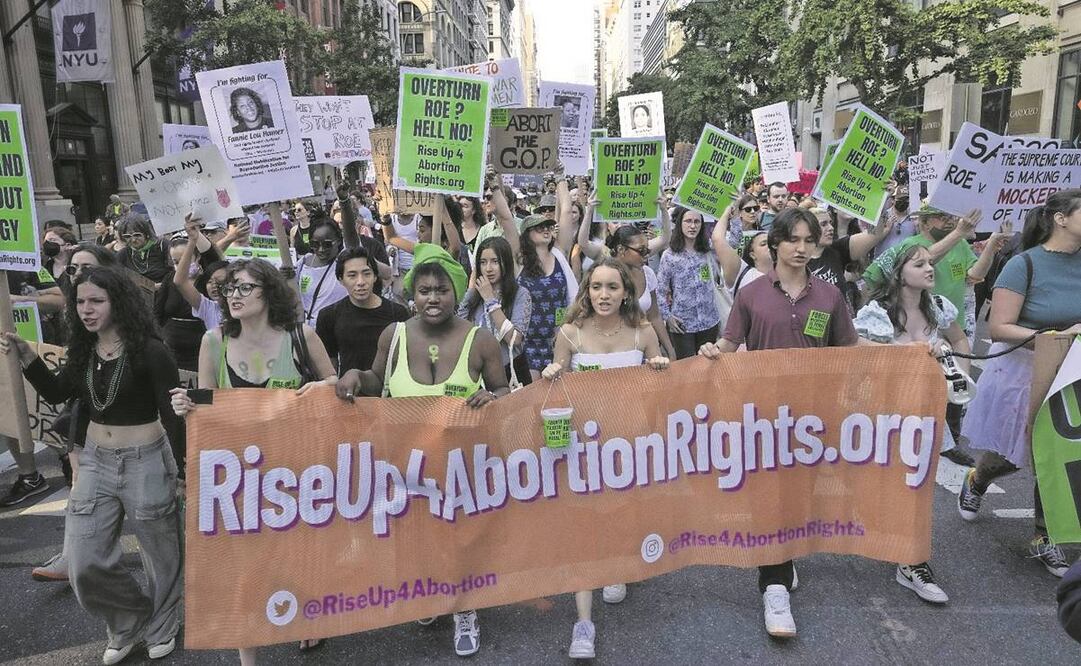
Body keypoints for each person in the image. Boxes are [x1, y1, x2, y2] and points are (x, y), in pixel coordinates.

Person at [1, 266, 184, 663]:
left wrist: (184, 471)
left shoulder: (151, 351)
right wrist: (29, 358)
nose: (86, 309)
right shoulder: (83, 351)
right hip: (96, 462)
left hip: (147, 460)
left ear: (119, 303)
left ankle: (163, 623)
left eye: (96, 301)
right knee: (84, 562)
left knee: (161, 555)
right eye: (80, 301)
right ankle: (128, 621)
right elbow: (56, 393)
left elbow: (173, 415)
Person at [335, 244, 510, 658]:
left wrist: (492, 398)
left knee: (460, 539)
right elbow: (377, 379)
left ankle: (464, 608)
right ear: (412, 294)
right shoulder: (393, 335)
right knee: (416, 536)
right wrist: (355, 376)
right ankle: (429, 593)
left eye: (442, 291)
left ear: (456, 293)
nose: (433, 299)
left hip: (461, 468)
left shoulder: (481, 341)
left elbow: (504, 390)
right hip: (407, 465)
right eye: (424, 291)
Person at [699, 208, 859, 638]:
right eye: (793, 240)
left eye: (809, 240)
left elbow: (850, 350)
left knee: (798, 493)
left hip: (812, 421)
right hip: (764, 419)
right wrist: (713, 352)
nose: (801, 248)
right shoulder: (752, 294)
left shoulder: (830, 296)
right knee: (771, 496)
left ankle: (784, 554)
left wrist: (909, 354)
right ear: (775, 244)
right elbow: (729, 343)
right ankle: (774, 586)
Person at [171, 258, 336, 664]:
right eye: (230, 289)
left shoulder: (301, 336)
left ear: (269, 292)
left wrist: (322, 388)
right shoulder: (214, 341)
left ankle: (305, 617)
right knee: (244, 563)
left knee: (296, 550)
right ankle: (249, 656)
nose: (234, 296)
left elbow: (335, 383)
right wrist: (186, 404)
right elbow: (207, 402)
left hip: (295, 471)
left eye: (245, 287)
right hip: (239, 474)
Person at [541, 258, 669, 658]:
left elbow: (663, 392)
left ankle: (617, 565)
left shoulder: (643, 333)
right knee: (584, 527)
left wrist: (660, 371)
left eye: (612, 287)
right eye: (596, 287)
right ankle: (583, 624)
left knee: (622, 514)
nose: (604, 295)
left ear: (626, 293)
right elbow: (557, 388)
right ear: (586, 291)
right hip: (585, 448)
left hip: (630, 448)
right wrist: (552, 373)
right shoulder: (570, 333)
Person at [957, 189, 1081, 578]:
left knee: (1059, 451)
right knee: (1012, 456)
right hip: (1023, 371)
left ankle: (1046, 535)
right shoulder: (1023, 264)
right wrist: (1056, 335)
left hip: (1073, 372)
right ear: (1060, 218)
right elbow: (999, 327)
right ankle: (978, 478)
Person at [854, 242, 974, 603]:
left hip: (928, 411)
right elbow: (856, 351)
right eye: (919, 264)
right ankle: (896, 544)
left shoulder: (939, 307)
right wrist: (903, 353)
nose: (929, 268)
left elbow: (960, 339)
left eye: (930, 263)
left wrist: (958, 377)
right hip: (887, 413)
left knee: (918, 485)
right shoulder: (877, 313)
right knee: (893, 482)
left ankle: (912, 561)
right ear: (898, 273)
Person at [317, 245, 410, 375]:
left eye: (366, 274)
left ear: (375, 277)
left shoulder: (398, 313)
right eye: (352, 275)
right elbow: (329, 366)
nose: (360, 282)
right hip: (349, 386)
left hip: (389, 385)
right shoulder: (329, 316)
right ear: (341, 280)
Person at [457, 237, 533, 386]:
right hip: (479, 374)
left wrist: (490, 301)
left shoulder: (520, 294)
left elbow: (515, 339)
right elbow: (459, 331)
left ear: (506, 263)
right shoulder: (474, 296)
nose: (488, 268)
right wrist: (472, 291)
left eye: (495, 261)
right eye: (483, 262)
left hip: (512, 373)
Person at [658, 206, 723, 359]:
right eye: (688, 221)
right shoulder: (669, 256)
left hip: (709, 321)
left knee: (709, 364)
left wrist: (732, 215)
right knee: (686, 367)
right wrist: (667, 317)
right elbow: (660, 290)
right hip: (683, 325)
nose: (692, 226)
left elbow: (733, 242)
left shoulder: (709, 249)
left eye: (696, 222)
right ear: (680, 224)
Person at [296, 219, 349, 327]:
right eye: (314, 244)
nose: (321, 249)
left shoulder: (346, 261)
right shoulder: (303, 262)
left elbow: (351, 233)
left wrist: (345, 207)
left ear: (339, 241)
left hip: (335, 330)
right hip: (307, 330)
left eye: (327, 244)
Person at [115, 214, 171, 283]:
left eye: (137, 235)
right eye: (128, 236)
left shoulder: (162, 246)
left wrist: (162, 285)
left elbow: (174, 272)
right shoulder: (123, 254)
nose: (133, 240)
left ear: (146, 233)